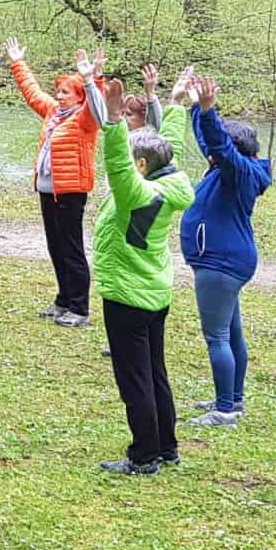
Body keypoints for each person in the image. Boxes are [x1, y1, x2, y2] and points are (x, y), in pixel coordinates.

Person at [78, 51, 196, 476]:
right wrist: (176, 102)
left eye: (133, 158)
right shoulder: (168, 182)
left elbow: (117, 164)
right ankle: (167, 445)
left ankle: (144, 454)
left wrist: (112, 123)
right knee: (155, 372)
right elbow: (173, 147)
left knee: (136, 380)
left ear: (141, 165)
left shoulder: (136, 193)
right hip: (154, 291)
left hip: (128, 295)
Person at [173, 67, 269, 427]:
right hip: (227, 261)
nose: (210, 153)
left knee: (217, 336)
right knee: (231, 333)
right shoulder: (235, 168)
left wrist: (210, 112)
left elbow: (216, 144)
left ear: (232, 150)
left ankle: (225, 411)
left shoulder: (236, 171)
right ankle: (233, 399)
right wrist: (197, 107)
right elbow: (210, 142)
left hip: (221, 263)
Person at [7, 38, 100, 327]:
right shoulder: (53, 113)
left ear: (79, 97)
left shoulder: (85, 119)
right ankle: (63, 300)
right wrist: (18, 63)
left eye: (66, 93)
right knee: (55, 246)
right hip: (48, 190)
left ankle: (79, 308)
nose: (60, 96)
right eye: (58, 92)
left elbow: (99, 108)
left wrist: (89, 78)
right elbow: (33, 92)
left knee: (71, 248)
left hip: (71, 192)